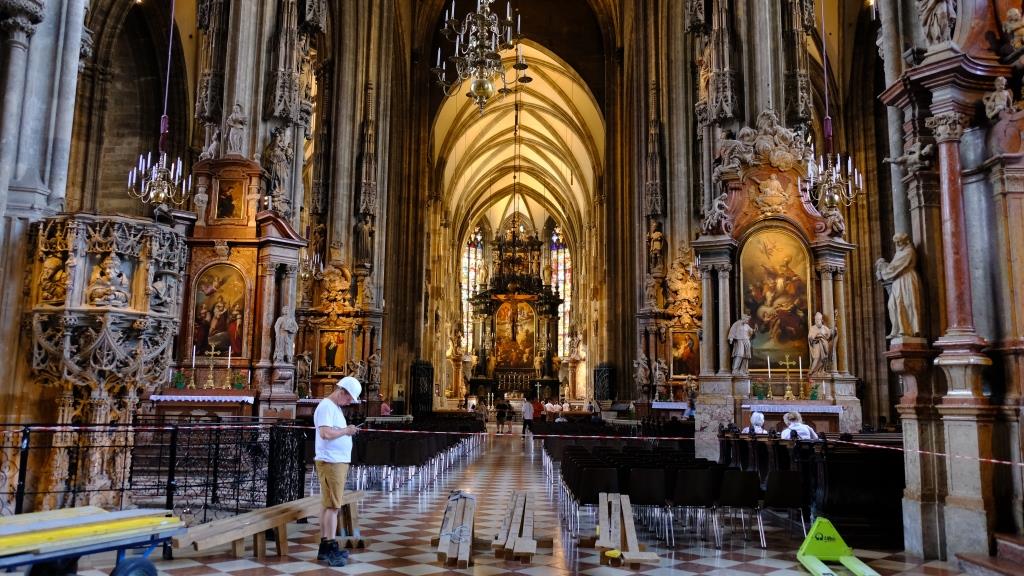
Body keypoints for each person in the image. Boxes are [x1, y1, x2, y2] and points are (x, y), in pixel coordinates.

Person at [314, 377, 361, 567]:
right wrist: (346, 431)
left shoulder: (334, 407)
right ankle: (331, 548)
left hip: (335, 461)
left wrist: (346, 430)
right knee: (333, 507)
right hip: (331, 462)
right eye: (349, 398)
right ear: (342, 391)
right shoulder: (327, 406)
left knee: (328, 505)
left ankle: (325, 547)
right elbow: (325, 433)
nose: (349, 402)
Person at [807, 312, 836, 377]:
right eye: (816, 320)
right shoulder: (812, 328)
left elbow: (829, 334)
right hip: (816, 344)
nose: (817, 321)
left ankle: (821, 371)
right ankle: (812, 371)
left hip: (824, 345)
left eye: (818, 320)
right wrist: (814, 336)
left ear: (821, 320)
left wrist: (834, 331)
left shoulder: (825, 328)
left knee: (824, 358)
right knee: (817, 357)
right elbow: (810, 337)